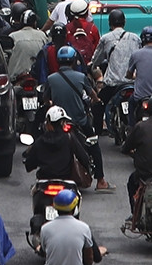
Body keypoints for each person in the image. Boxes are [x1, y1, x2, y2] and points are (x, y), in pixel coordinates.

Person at [45, 48, 112, 191]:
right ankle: (100, 181)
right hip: (80, 121)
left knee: (44, 141)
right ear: (74, 61)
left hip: (59, 122)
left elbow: (46, 99)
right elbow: (93, 95)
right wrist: (96, 100)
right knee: (94, 145)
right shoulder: (81, 77)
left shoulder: (51, 79)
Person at [24, 105, 95, 190]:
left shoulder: (40, 141)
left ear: (48, 124)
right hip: (66, 180)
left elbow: (29, 164)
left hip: (44, 180)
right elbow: (83, 157)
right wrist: (88, 170)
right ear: (62, 123)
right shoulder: (69, 138)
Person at [91, 11, 141, 124]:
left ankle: (97, 135)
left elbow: (96, 59)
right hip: (133, 81)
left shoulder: (106, 38)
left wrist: (92, 64)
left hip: (113, 83)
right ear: (124, 22)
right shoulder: (135, 38)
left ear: (110, 23)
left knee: (98, 104)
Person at [6, 7, 48, 80]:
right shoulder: (42, 35)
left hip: (15, 77)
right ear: (34, 23)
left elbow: (5, 56)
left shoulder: (13, 36)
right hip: (38, 77)